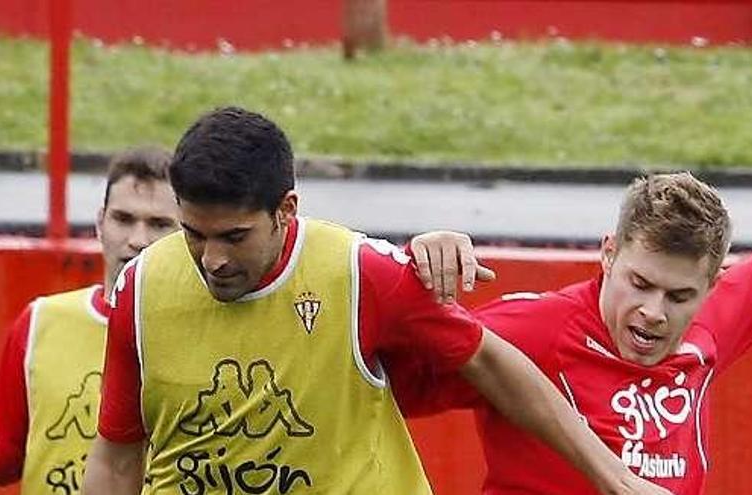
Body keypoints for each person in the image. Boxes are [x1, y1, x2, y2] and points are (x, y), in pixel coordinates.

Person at [83, 106, 670, 495]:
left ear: (287, 210)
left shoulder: (362, 274)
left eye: (234, 237)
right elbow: (115, 457)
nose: (212, 258)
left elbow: (491, 360)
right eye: (194, 233)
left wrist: (615, 478)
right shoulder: (142, 287)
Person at [402, 172, 752, 494]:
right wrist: (411, 267)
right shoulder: (533, 330)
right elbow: (378, 374)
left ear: (712, 287)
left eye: (679, 296)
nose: (654, 312)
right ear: (609, 253)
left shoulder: (710, 327)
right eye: (640, 284)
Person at [0, 147, 180, 493]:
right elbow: (2, 458)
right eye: (123, 219)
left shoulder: (202, 331)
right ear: (99, 223)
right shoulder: (40, 321)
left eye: (158, 224)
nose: (137, 240)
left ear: (186, 233)